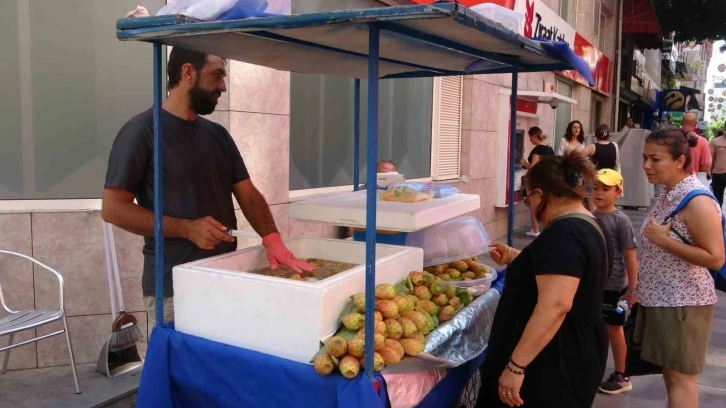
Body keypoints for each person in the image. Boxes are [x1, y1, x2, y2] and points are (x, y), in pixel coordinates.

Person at [102, 48, 314, 327]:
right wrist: (185, 228)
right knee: (180, 369)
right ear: (188, 73)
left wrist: (272, 240)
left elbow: (248, 194)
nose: (223, 86)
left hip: (225, 277)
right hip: (175, 286)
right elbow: (113, 209)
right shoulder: (141, 131)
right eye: (217, 75)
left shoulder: (217, 135)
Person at [476, 152, 609, 408]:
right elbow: (565, 272)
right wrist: (518, 257)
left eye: (527, 197)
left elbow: (556, 306)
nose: (530, 204)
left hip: (553, 361)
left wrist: (516, 367)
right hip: (575, 350)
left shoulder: (565, 233)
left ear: (540, 193)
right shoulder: (587, 223)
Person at [639, 126, 723, 408]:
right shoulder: (669, 193)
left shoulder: (696, 200)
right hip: (664, 299)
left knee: (680, 380)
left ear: (680, 161)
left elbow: (715, 257)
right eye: (644, 158)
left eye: (655, 159)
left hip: (682, 302)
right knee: (671, 375)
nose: (647, 165)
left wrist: (663, 241)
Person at [591, 169, 638, 395]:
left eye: (606, 188)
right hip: (592, 285)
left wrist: (632, 288)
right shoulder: (590, 215)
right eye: (596, 187)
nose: (599, 192)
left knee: (615, 329)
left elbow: (630, 255)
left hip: (613, 288)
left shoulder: (622, 221)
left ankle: (622, 374)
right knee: (592, 326)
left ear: (618, 192)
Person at [520, 127, 554, 237]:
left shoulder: (537, 149)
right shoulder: (549, 148)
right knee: (546, 205)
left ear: (534, 136)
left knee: (534, 206)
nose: (530, 140)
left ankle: (535, 231)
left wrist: (524, 163)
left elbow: (533, 166)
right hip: (547, 181)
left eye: (530, 137)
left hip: (536, 181)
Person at [681, 112, 712, 177]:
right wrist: (694, 168)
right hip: (691, 180)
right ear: (695, 124)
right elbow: (706, 167)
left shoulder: (672, 138)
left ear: (681, 122)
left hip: (670, 181)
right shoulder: (702, 141)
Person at [710, 130, 726, 206]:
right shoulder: (715, 142)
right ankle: (718, 217)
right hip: (718, 174)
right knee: (718, 200)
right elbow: (711, 158)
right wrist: (709, 171)